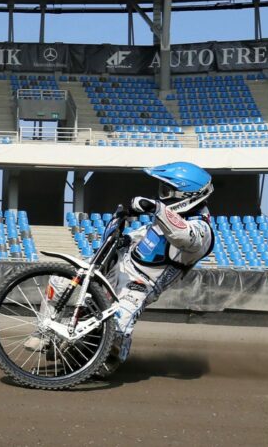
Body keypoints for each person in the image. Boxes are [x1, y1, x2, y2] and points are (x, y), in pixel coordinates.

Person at [27, 161, 214, 376]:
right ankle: (44, 333)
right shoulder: (172, 218)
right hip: (117, 266)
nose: (161, 194)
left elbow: (181, 235)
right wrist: (122, 233)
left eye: (166, 190)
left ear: (185, 195)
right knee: (60, 280)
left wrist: (156, 207)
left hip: (139, 287)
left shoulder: (202, 230)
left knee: (115, 336)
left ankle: (103, 359)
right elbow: (148, 236)